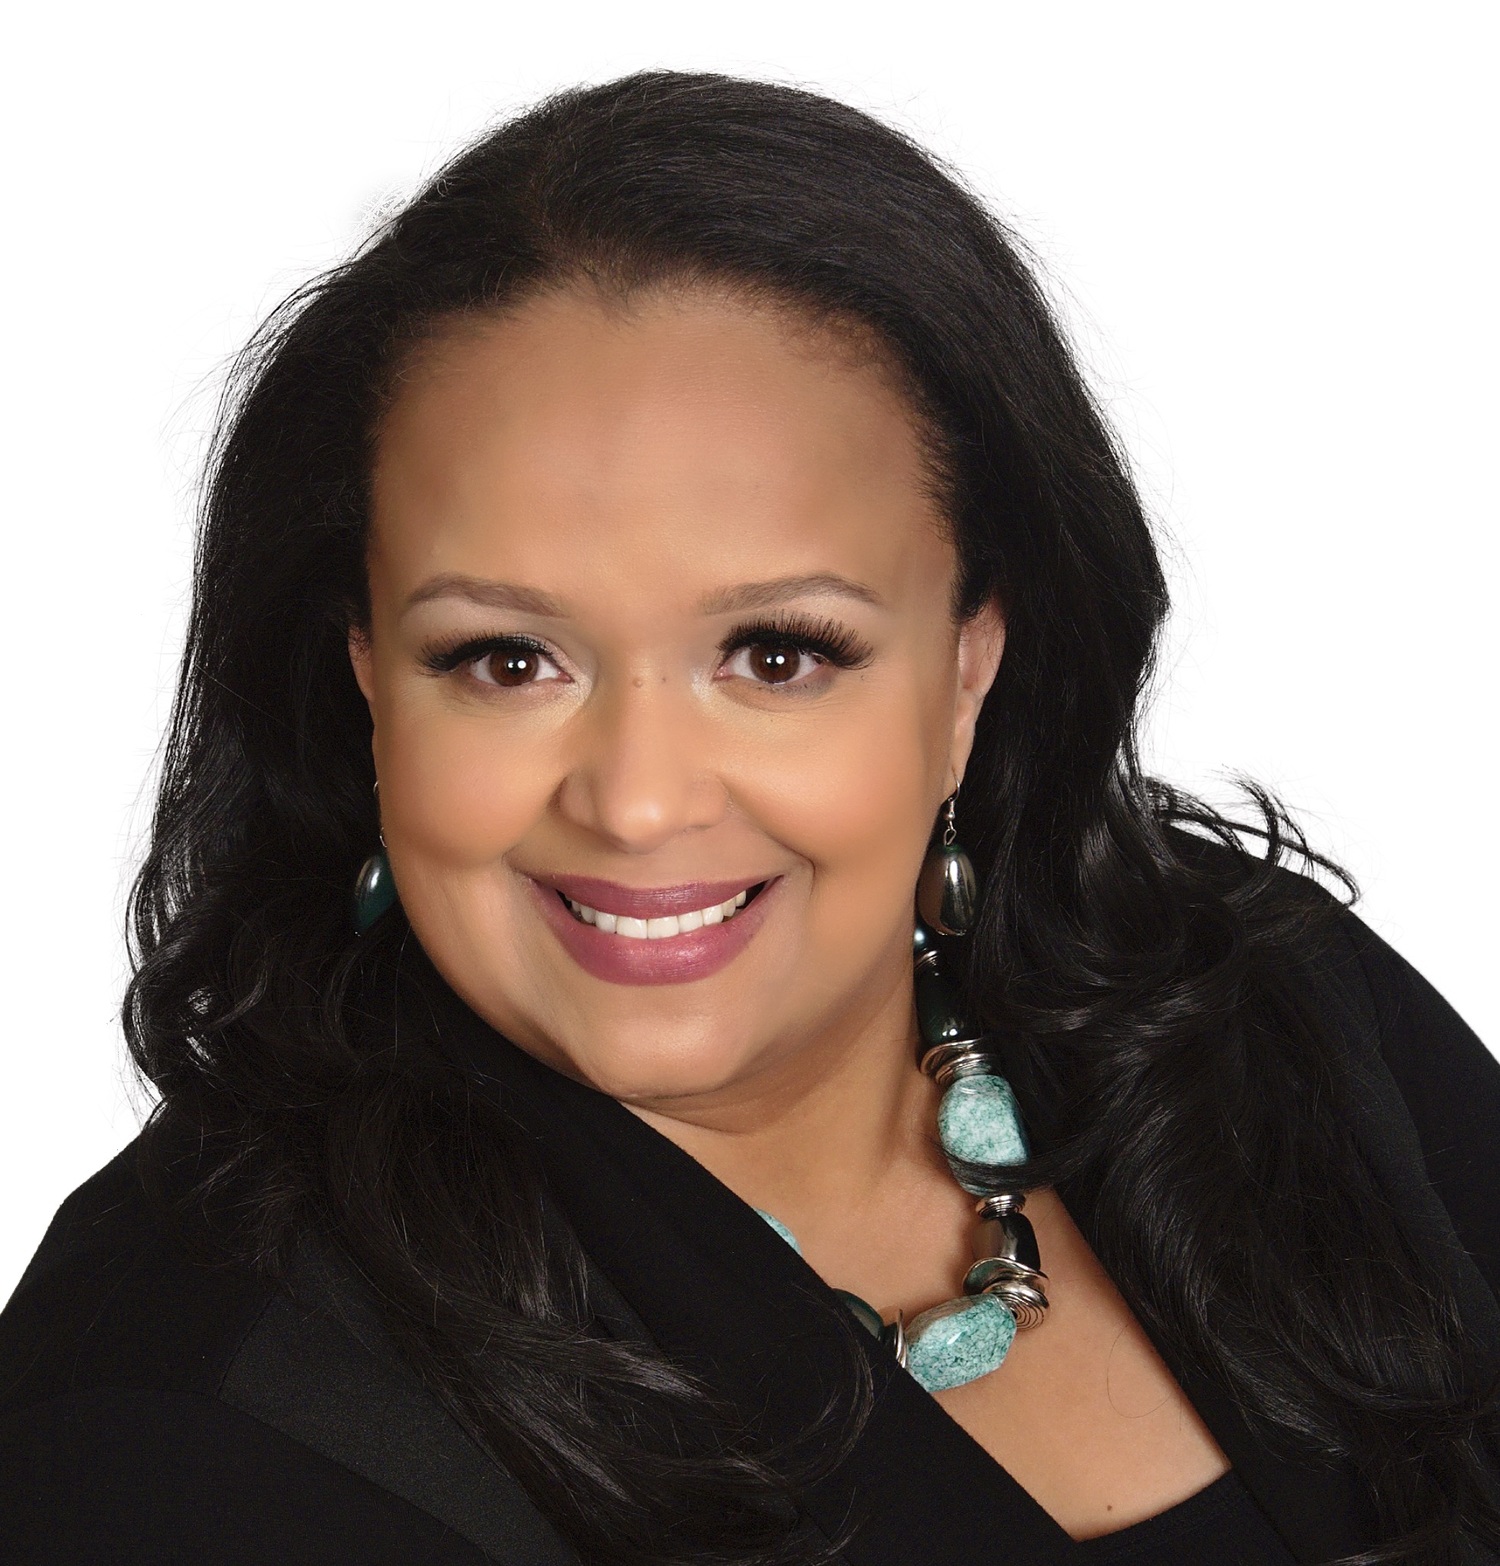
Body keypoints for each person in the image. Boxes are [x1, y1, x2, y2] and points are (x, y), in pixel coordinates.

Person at [1, 70, 1496, 1566]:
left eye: (777, 655)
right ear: (368, 678)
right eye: (507, 660)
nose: (638, 800)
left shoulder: (1263, 1006)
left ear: (969, 665)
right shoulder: (173, 1424)